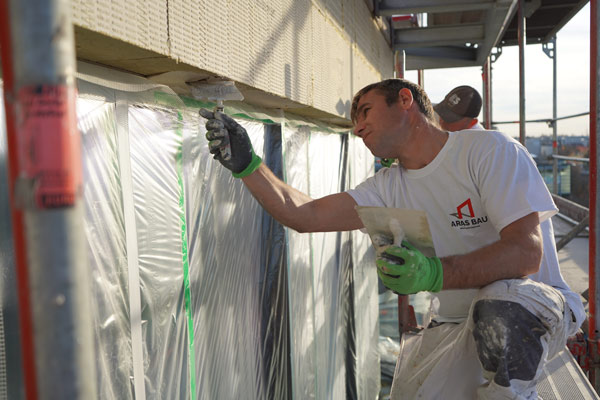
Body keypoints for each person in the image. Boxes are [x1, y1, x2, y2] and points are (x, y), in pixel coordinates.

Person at [200, 78, 584, 399]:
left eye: (365, 112)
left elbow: (524, 254)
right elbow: (304, 215)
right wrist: (248, 165)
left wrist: (432, 273)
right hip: (455, 323)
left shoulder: (488, 151)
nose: (358, 129)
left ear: (404, 100)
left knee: (501, 301)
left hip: (534, 309)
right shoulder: (387, 187)